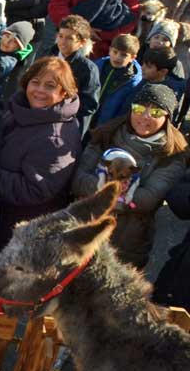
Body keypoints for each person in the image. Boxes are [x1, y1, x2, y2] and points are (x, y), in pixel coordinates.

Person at [72, 83, 188, 269]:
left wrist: (99, 191)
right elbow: (78, 179)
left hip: (126, 241)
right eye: (139, 108)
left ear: (168, 118)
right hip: (82, 225)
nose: (145, 116)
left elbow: (147, 199)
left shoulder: (174, 154)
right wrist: (121, 196)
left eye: (156, 113)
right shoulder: (107, 133)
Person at [0, 56, 83, 254]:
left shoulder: (56, 138)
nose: (39, 90)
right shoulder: (20, 110)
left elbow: (34, 190)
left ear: (63, 92)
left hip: (13, 230)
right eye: (35, 82)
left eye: (49, 86)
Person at [89, 34, 143, 128]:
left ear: (133, 57)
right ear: (109, 50)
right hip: (87, 118)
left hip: (107, 126)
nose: (117, 57)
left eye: (124, 55)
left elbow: (125, 110)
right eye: (115, 52)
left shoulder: (133, 82)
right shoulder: (96, 67)